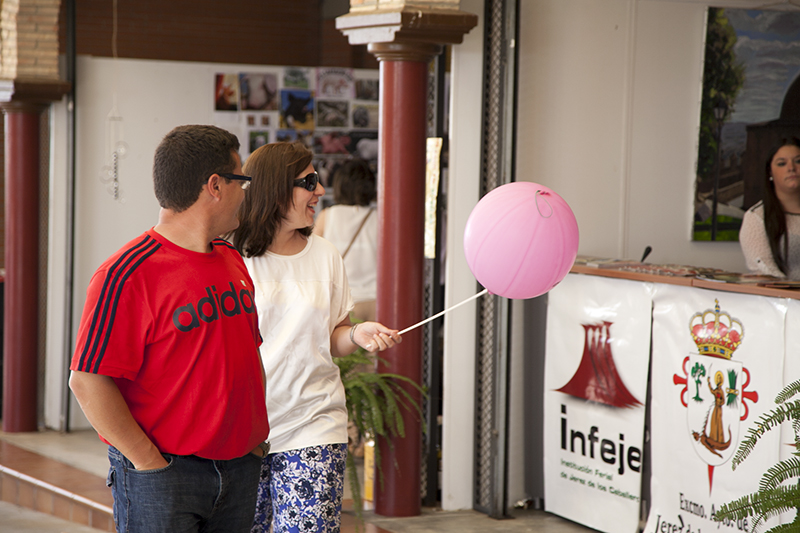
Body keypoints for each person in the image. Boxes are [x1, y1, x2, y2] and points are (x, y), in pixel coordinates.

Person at [69, 125, 270, 533]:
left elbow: (247, 352)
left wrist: (253, 442)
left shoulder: (232, 258)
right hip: (165, 476)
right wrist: (147, 462)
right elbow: (87, 381)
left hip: (240, 468)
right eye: (241, 181)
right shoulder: (126, 273)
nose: (244, 193)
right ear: (215, 186)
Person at [228, 141, 401, 533]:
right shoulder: (231, 256)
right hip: (242, 431)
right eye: (309, 181)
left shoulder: (325, 254)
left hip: (313, 423)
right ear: (274, 187)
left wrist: (357, 333)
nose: (320, 191)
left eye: (318, 180)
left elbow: (333, 336)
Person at [313, 158, 378, 322]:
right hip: (377, 301)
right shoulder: (380, 218)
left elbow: (312, 258)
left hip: (343, 304)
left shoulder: (327, 216)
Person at [740, 137, 800, 279]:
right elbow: (767, 272)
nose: (791, 168)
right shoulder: (757, 217)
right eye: (782, 163)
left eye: (798, 161)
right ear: (770, 172)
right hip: (785, 299)